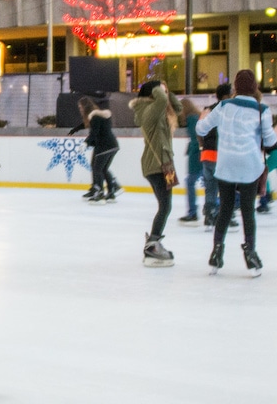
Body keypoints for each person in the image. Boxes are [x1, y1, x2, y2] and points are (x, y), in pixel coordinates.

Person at [196, 70, 276, 277]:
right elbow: (269, 142)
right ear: (255, 86)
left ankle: (216, 253)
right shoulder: (262, 109)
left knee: (225, 209)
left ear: (235, 86)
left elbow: (202, 129)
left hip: (226, 165)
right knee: (248, 210)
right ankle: (250, 254)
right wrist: (276, 133)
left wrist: (203, 117)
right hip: (249, 165)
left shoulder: (223, 106)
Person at [132, 80, 182, 267]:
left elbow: (177, 107)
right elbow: (161, 101)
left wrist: (166, 91)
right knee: (165, 206)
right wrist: (158, 89)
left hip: (165, 164)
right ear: (152, 93)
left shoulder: (158, 110)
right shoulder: (147, 110)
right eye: (161, 91)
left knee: (166, 205)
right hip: (156, 165)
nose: (164, 93)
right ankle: (152, 245)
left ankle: (153, 243)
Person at [199, 83, 235, 230]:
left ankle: (209, 214)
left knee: (210, 187)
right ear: (227, 95)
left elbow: (199, 130)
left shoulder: (208, 110)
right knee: (226, 188)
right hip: (221, 154)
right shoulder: (228, 110)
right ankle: (224, 216)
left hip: (207, 154)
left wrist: (203, 147)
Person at [79, 96, 120, 203]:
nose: (80, 110)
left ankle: (100, 193)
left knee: (97, 169)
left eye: (81, 107)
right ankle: (112, 190)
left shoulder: (95, 117)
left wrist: (85, 143)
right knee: (102, 169)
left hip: (104, 146)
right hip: (112, 145)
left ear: (85, 107)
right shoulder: (99, 115)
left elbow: (94, 133)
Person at [179, 98, 204, 221]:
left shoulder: (192, 118)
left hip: (197, 156)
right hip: (202, 155)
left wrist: (192, 152)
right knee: (209, 184)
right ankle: (213, 209)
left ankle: (193, 212)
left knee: (190, 182)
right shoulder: (197, 117)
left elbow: (195, 139)